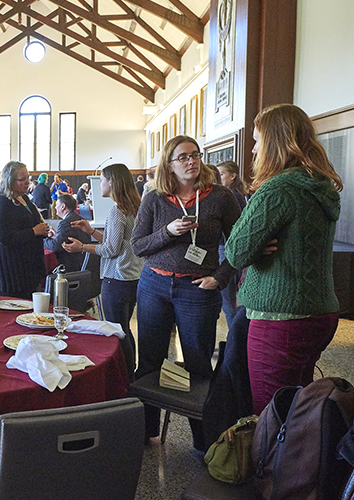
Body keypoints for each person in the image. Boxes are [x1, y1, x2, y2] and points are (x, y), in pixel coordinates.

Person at [225, 104, 343, 414]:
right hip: (320, 311)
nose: (253, 150)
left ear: (275, 142)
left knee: (270, 415)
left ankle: (274, 451)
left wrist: (255, 244)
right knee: (297, 408)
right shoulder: (321, 186)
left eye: (257, 140)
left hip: (281, 317)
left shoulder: (277, 189)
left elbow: (236, 251)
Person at [131, 135, 240, 445]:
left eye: (195, 155)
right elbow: (138, 245)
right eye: (183, 157)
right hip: (154, 286)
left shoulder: (220, 196)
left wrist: (220, 278)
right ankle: (146, 431)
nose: (191, 161)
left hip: (198, 289)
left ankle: (203, 442)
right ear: (169, 165)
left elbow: (238, 244)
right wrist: (168, 231)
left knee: (198, 364)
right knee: (149, 361)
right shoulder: (155, 198)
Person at [62, 164, 144, 379]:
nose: (98, 185)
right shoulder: (135, 207)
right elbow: (117, 243)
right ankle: (130, 372)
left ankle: (125, 377)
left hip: (117, 278)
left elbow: (110, 250)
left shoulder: (117, 210)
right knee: (124, 328)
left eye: (102, 180)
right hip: (132, 277)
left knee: (116, 331)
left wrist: (82, 247)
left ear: (112, 182)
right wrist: (90, 231)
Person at [0, 161, 49, 299]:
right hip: (11, 271)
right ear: (10, 182)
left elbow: (33, 222)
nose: (28, 182)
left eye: (28, 177)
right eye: (22, 179)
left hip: (27, 266)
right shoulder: (2, 204)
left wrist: (45, 229)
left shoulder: (24, 198)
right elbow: (5, 238)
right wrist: (34, 231)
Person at [216, 160, 248, 324]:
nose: (218, 178)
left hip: (226, 247)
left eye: (222, 174)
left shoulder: (231, 196)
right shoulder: (238, 194)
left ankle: (234, 334)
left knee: (227, 300)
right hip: (228, 247)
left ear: (233, 176)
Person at [43, 194, 91, 272]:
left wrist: (42, 238)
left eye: (57, 205)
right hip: (82, 262)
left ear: (63, 206)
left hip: (70, 266)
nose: (55, 207)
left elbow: (55, 246)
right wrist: (56, 235)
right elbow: (68, 238)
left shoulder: (66, 222)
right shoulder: (80, 218)